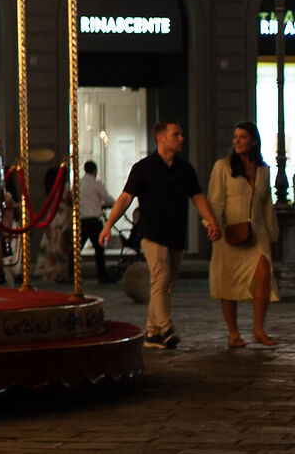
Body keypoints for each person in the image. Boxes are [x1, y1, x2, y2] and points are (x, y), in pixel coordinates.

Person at [100, 121, 213, 350]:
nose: (181, 137)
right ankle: (167, 328)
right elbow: (125, 198)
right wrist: (108, 225)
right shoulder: (144, 168)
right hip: (152, 234)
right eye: (176, 134)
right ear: (161, 139)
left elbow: (198, 197)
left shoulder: (185, 169)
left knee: (166, 284)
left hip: (177, 235)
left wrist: (210, 220)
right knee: (161, 280)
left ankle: (152, 334)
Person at [207, 123, 278, 348]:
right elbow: (216, 200)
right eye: (235, 137)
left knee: (264, 275)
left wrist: (271, 233)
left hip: (257, 233)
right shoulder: (223, 166)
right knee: (228, 281)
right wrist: (212, 225)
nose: (237, 141)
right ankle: (233, 333)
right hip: (229, 232)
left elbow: (267, 204)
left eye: (243, 137)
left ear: (254, 141)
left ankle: (258, 330)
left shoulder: (263, 170)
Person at [78, 160, 114, 282]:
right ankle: (102, 276)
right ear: (95, 171)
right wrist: (108, 205)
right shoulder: (96, 184)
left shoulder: (79, 184)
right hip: (94, 220)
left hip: (82, 220)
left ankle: (72, 274)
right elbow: (108, 199)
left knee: (77, 249)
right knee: (99, 249)